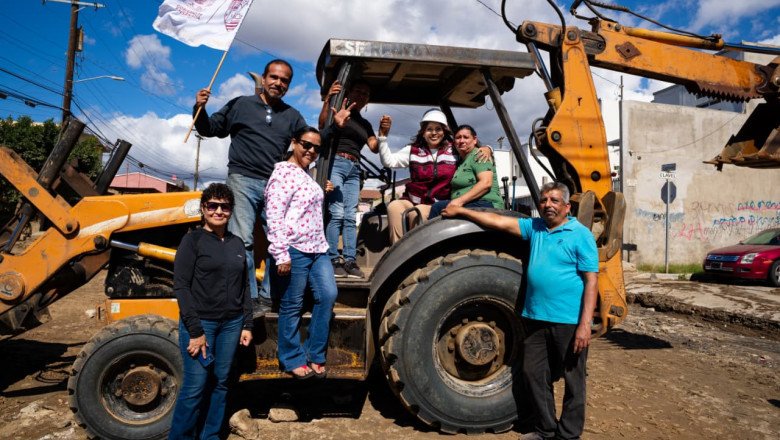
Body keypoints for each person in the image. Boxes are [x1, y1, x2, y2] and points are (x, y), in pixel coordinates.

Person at [441, 182, 599, 440]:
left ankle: (569, 435)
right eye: (544, 200)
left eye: (554, 200)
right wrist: (463, 212)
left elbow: (592, 281)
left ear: (567, 206)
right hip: (535, 318)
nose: (547, 204)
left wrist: (585, 324)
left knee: (573, 379)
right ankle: (546, 430)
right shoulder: (536, 228)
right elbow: (498, 222)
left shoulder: (580, 235)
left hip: (568, 321)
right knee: (534, 374)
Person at [193, 59, 307, 317]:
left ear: (288, 85)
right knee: (242, 241)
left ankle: (268, 297)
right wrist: (199, 108)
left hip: (276, 184)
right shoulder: (240, 104)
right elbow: (210, 129)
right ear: (264, 79)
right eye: (274, 77)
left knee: (281, 241)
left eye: (284, 80)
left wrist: (333, 126)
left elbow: (308, 144)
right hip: (242, 179)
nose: (278, 83)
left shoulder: (292, 116)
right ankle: (250, 299)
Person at [169, 183, 253, 439]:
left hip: (231, 325)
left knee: (221, 383)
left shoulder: (237, 243)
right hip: (201, 324)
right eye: (213, 205)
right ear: (204, 208)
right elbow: (181, 287)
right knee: (195, 387)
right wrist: (195, 331)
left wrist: (247, 324)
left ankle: (210, 435)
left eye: (224, 206)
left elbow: (245, 286)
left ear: (231, 210)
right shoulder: (192, 240)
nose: (218, 211)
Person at [265, 127, 338, 379]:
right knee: (292, 304)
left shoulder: (306, 174)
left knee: (328, 295)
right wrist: (281, 253)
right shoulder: (283, 173)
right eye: (306, 145)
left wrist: (322, 188)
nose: (311, 151)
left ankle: (315, 353)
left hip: (318, 248)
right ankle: (291, 357)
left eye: (316, 148)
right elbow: (273, 215)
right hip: (294, 248)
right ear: (294, 142)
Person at [377, 108, 492, 244]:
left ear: (444, 132)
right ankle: (397, 251)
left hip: (437, 202)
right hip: (413, 198)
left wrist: (487, 148)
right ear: (423, 132)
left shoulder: (453, 149)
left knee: (417, 212)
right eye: (429, 129)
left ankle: (416, 251)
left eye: (438, 129)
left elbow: (470, 148)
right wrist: (383, 138)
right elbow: (388, 161)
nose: (434, 133)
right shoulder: (413, 150)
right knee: (394, 206)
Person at [318, 79, 391, 278]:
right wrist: (327, 101)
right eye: (358, 90)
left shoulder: (364, 123)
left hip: (354, 168)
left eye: (366, 94)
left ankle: (349, 260)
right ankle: (332, 258)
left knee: (351, 216)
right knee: (337, 212)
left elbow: (374, 146)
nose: (361, 95)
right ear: (349, 92)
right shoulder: (337, 109)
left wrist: (383, 133)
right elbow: (322, 124)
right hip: (337, 162)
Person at [427, 124, 503, 219]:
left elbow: (486, 183)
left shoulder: (479, 154)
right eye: (458, 138)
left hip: (485, 203)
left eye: (466, 137)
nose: (462, 140)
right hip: (470, 204)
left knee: (438, 208)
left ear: (474, 140)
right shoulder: (460, 162)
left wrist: (459, 201)